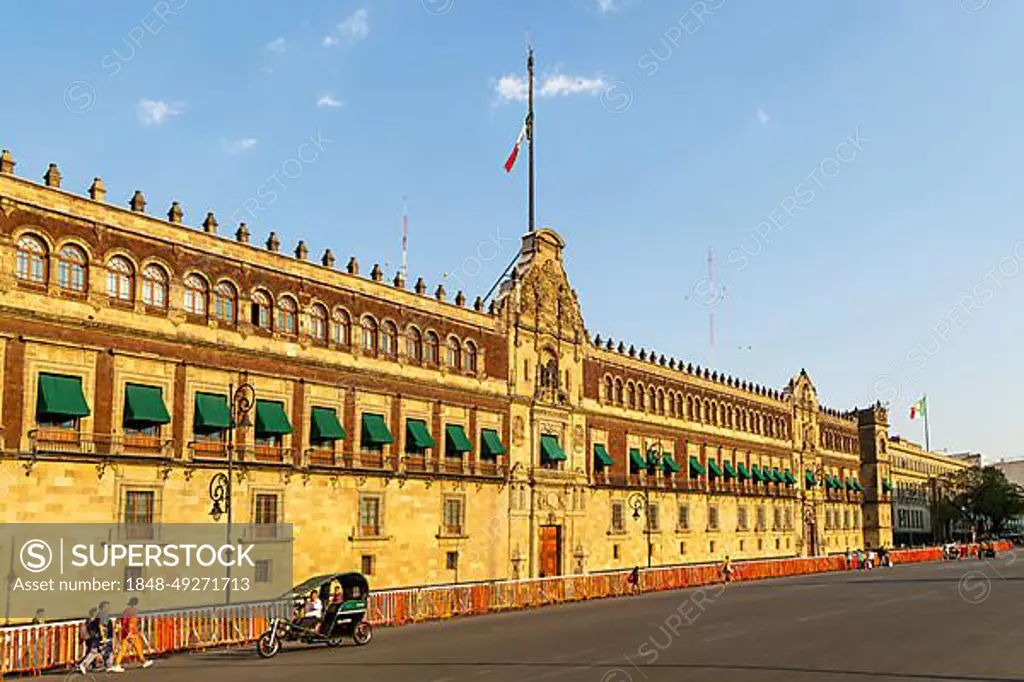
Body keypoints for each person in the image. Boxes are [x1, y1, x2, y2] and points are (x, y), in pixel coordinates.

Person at [108, 597, 153, 673]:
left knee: (129, 647)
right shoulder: (133, 611)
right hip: (131, 632)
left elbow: (123, 621)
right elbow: (131, 623)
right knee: (132, 647)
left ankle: (143, 660)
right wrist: (130, 633)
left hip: (126, 631)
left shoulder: (126, 610)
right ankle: (142, 661)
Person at [78, 607, 105, 674]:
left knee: (92, 651)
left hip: (90, 637)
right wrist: (102, 637)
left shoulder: (88, 621)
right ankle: (83, 664)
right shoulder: (96, 620)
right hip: (94, 637)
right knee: (94, 652)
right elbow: (99, 628)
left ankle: (83, 663)